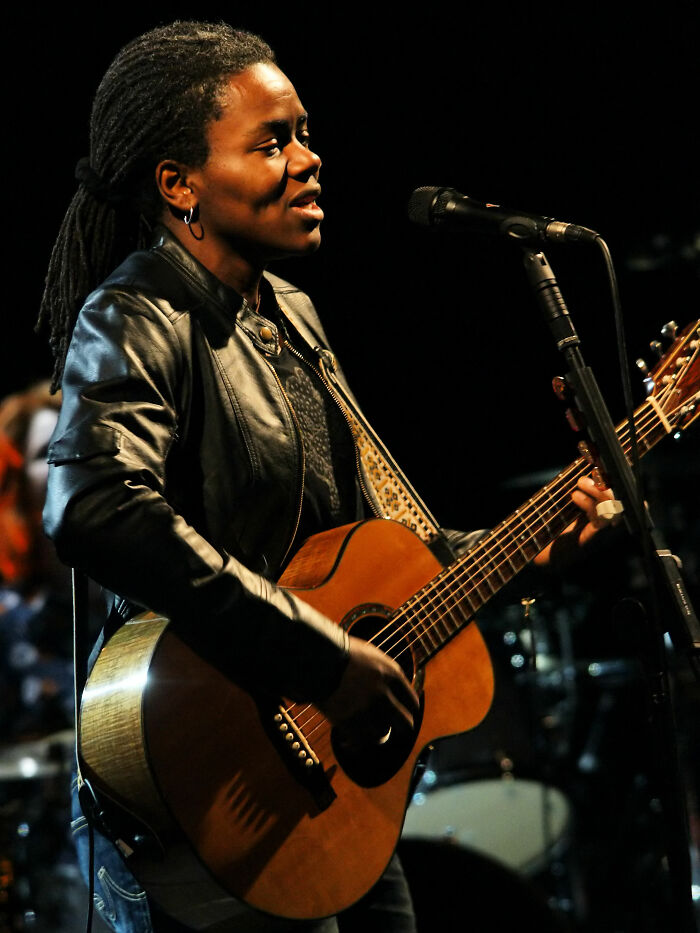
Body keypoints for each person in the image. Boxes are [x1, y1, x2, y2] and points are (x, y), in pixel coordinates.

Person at [37, 20, 613, 933]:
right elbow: (95, 504)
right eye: (271, 142)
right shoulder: (137, 313)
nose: (308, 160)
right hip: (213, 786)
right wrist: (319, 658)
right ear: (179, 183)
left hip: (331, 802)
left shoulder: (291, 316)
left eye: (304, 134)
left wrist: (531, 548)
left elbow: (383, 556)